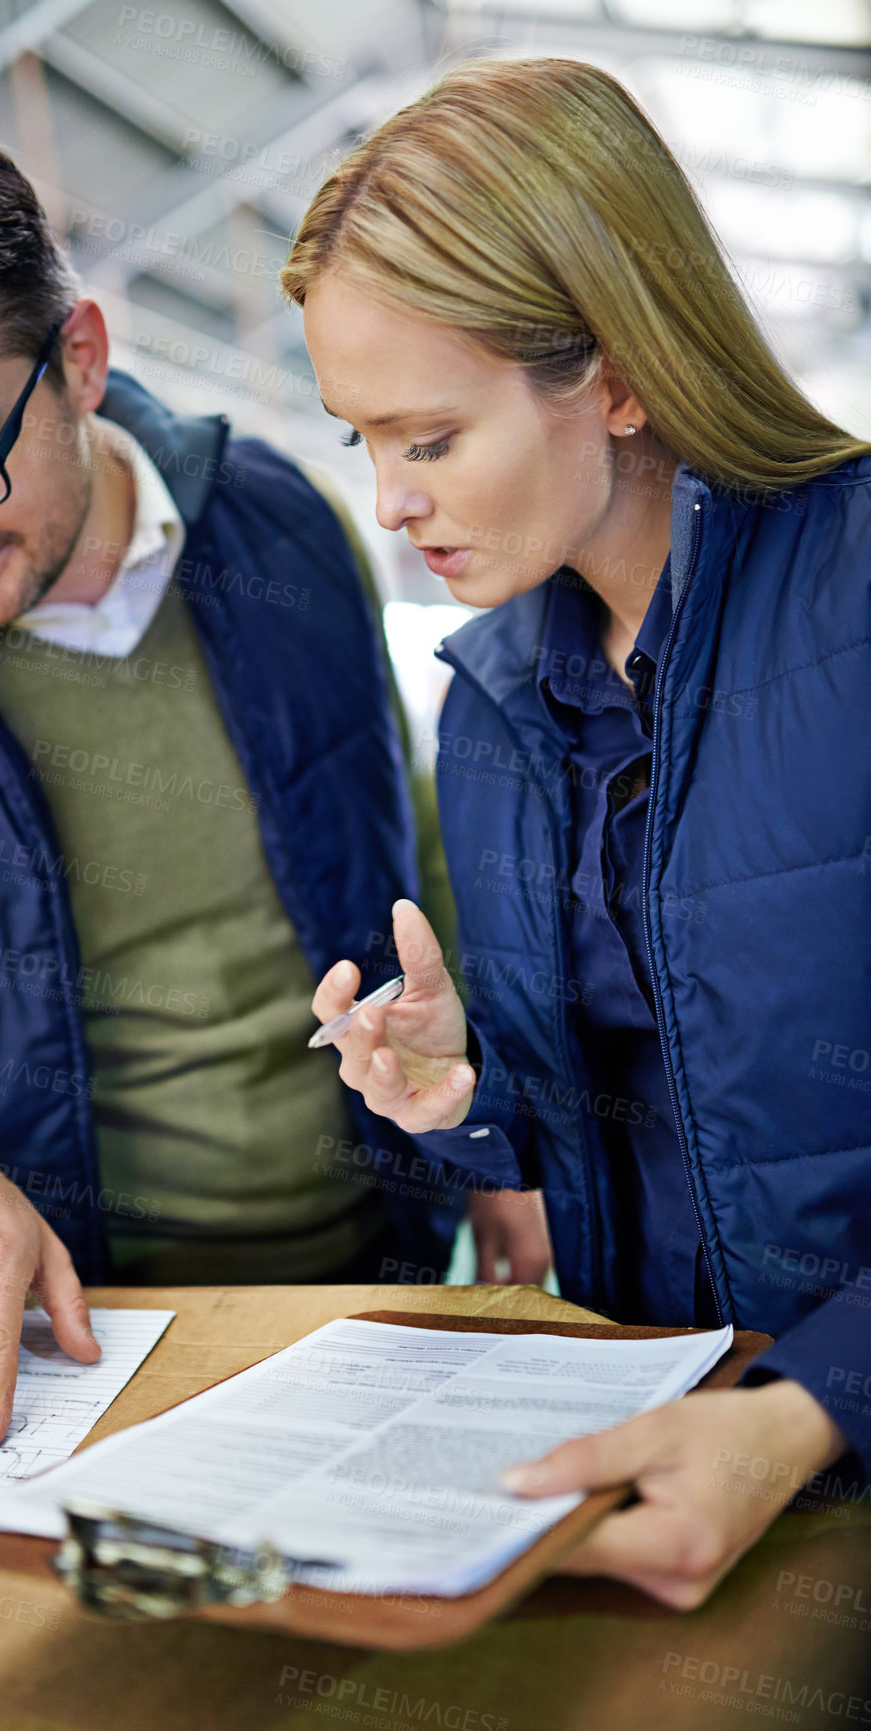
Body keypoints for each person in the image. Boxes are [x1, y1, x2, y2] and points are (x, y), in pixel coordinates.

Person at [0, 117, 464, 1450]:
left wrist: (504, 1126)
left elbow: (409, 838)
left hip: (383, 1295)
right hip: (63, 1372)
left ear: (80, 359)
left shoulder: (288, 522)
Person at [286, 56, 871, 1608]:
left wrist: (815, 1412)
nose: (394, 505)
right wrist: (467, 1099)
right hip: (645, 1462)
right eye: (364, 444)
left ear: (613, 377)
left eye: (429, 436)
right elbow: (640, 1119)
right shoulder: (492, 703)